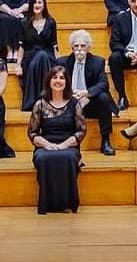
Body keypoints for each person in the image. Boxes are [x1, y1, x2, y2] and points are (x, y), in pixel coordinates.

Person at [28, 65, 86, 214]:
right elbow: (32, 133)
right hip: (45, 146)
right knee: (43, 158)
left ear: (67, 82)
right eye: (54, 77)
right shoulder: (39, 104)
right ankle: (47, 203)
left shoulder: (75, 103)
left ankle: (68, 202)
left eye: (62, 78)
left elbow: (81, 131)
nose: (58, 81)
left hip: (69, 146)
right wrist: (47, 145)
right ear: (49, 81)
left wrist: (63, 145)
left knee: (67, 157)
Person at [58, 29, 117, 156]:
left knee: (104, 97)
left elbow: (103, 84)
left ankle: (105, 141)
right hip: (69, 102)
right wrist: (69, 93)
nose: (79, 49)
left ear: (88, 47)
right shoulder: (62, 62)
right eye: (76, 46)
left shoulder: (97, 62)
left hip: (90, 103)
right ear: (72, 48)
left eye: (83, 46)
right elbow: (56, 83)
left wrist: (86, 93)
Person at [18, 0, 58, 111]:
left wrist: (59, 63)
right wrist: (18, 65)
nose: (37, 5)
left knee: (43, 56)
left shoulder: (51, 22)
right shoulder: (24, 23)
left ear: (44, 5)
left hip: (48, 55)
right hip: (30, 56)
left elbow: (55, 45)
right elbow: (21, 46)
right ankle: (44, 99)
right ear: (30, 5)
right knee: (40, 56)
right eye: (34, 2)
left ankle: (41, 99)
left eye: (40, 2)